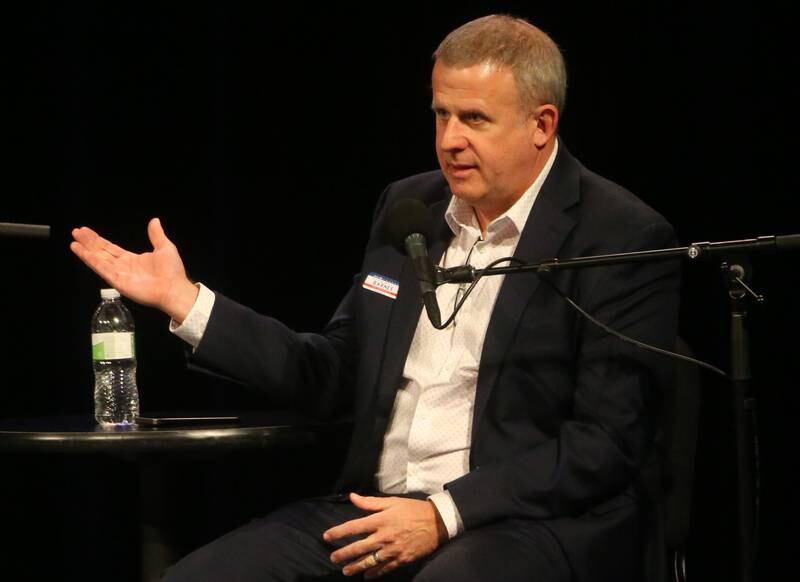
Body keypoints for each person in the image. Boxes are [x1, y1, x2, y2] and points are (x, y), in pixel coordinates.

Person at [71, 14, 680, 582]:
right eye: (440, 115)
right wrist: (188, 301)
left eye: (474, 119)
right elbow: (335, 374)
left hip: (521, 521)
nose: (450, 141)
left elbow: (604, 442)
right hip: (375, 509)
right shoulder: (408, 209)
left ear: (541, 125)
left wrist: (444, 513)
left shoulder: (618, 234)